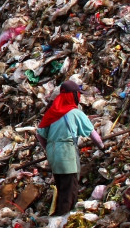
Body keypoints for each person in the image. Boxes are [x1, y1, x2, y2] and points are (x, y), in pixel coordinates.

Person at [36, 80, 103, 216]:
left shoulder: (52, 113)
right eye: (78, 94)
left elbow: (40, 134)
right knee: (70, 187)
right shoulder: (75, 113)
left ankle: (59, 213)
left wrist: (47, 149)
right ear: (73, 96)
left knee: (61, 185)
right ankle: (63, 217)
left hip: (52, 152)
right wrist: (102, 147)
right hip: (66, 151)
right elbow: (94, 135)